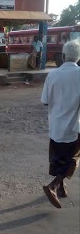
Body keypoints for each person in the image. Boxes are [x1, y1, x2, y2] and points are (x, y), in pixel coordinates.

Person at [41, 39, 80, 208]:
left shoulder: (53, 74)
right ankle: (54, 185)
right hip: (74, 127)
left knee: (58, 158)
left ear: (63, 56)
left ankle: (62, 188)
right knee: (73, 159)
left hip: (55, 126)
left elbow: (45, 101)